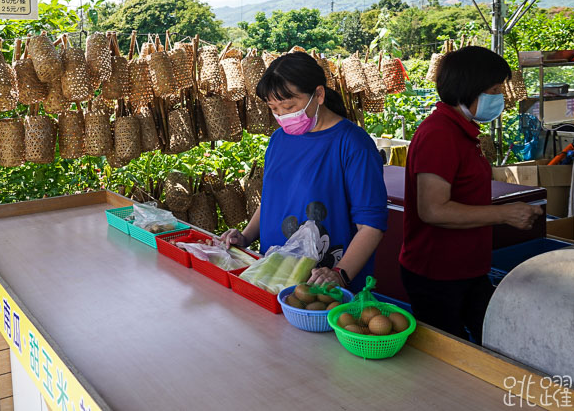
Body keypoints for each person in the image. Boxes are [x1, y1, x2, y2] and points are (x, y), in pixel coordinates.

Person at [399, 46, 543, 344]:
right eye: (494, 89)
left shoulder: (463, 131)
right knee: (450, 359)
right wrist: (505, 213)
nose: (499, 97)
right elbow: (433, 210)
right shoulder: (439, 134)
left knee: (491, 340)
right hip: (437, 273)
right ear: (469, 88)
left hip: (466, 267)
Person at [221, 52, 387, 291]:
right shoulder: (279, 139)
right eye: (274, 109)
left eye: (289, 106)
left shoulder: (353, 144)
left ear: (318, 94)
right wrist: (245, 237)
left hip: (322, 286)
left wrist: (339, 275)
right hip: (271, 274)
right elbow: (272, 199)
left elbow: (371, 226)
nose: (282, 116)